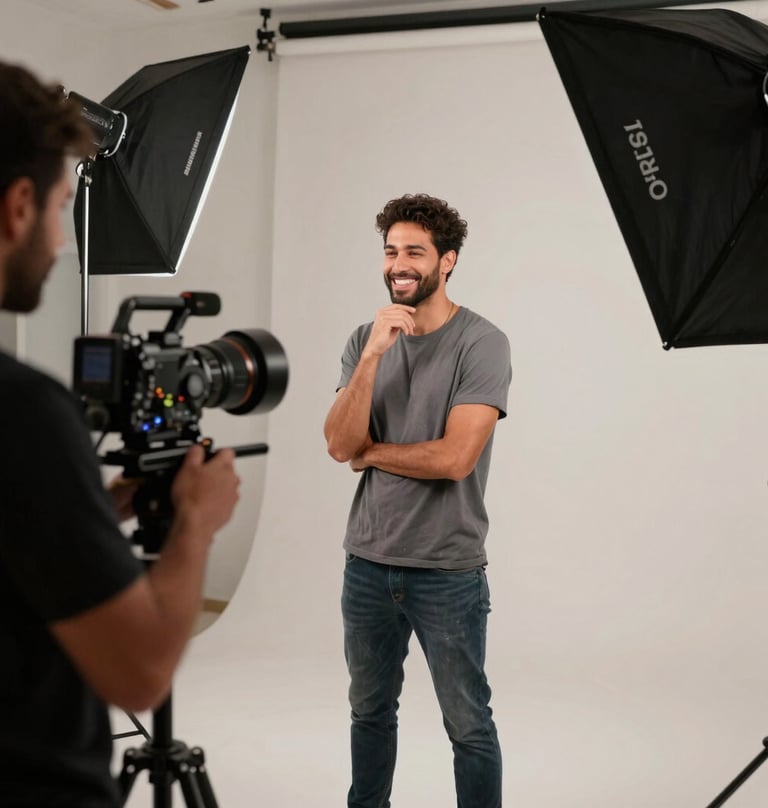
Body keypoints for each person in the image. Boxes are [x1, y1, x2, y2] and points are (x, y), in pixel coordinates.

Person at [0, 61, 240, 807]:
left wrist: (98, 510)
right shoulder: (26, 415)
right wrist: (195, 523)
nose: (59, 240)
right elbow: (138, 672)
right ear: (17, 207)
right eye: (62, 207)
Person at [324, 193, 512, 808]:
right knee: (369, 713)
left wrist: (374, 454)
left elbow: (455, 458)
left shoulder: (481, 343)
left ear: (447, 260)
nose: (399, 264)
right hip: (368, 563)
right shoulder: (364, 339)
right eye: (390, 251)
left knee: (468, 725)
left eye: (414, 252)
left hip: (448, 571)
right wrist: (375, 354)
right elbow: (337, 442)